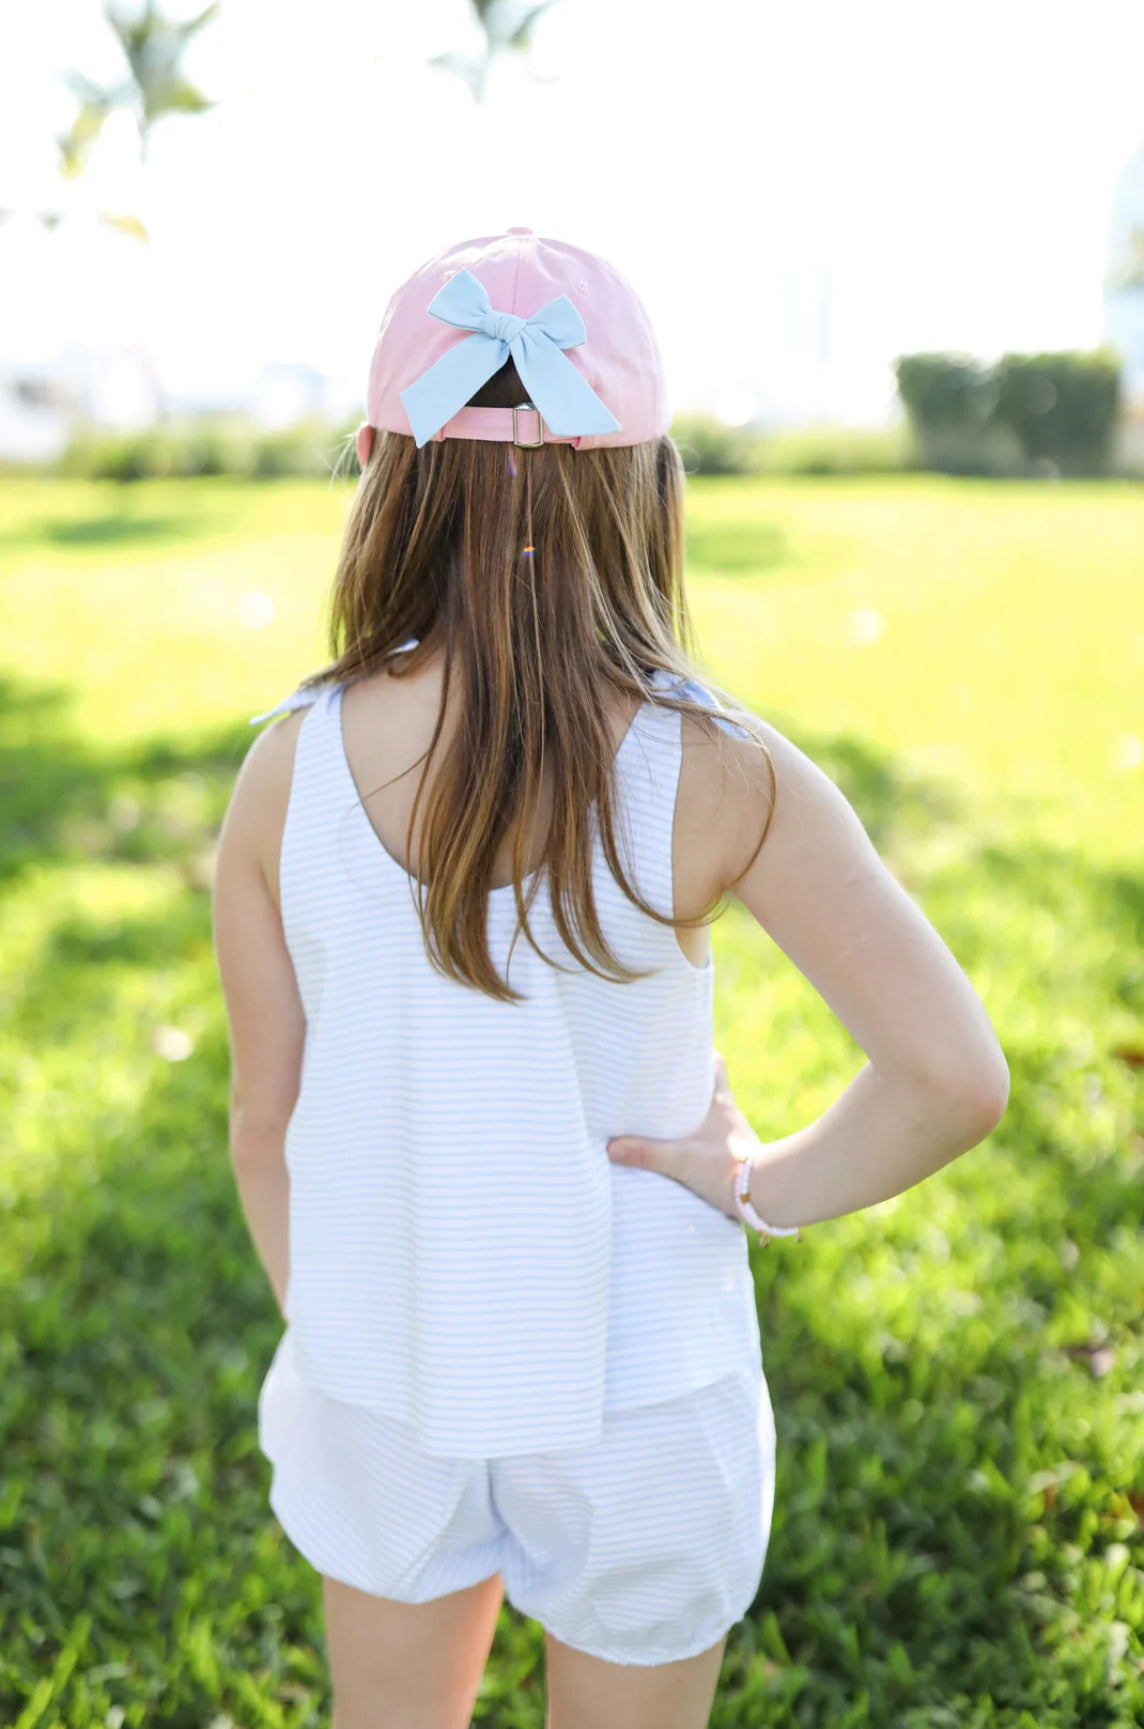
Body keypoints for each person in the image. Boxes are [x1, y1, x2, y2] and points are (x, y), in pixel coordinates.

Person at [211, 226, 1010, 1729]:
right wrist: (760, 1181)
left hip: (379, 1367)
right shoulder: (722, 770)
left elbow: (270, 1123)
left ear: (382, 461)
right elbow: (952, 1078)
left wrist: (346, 1329)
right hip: (645, 1386)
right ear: (648, 479)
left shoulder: (282, 772)